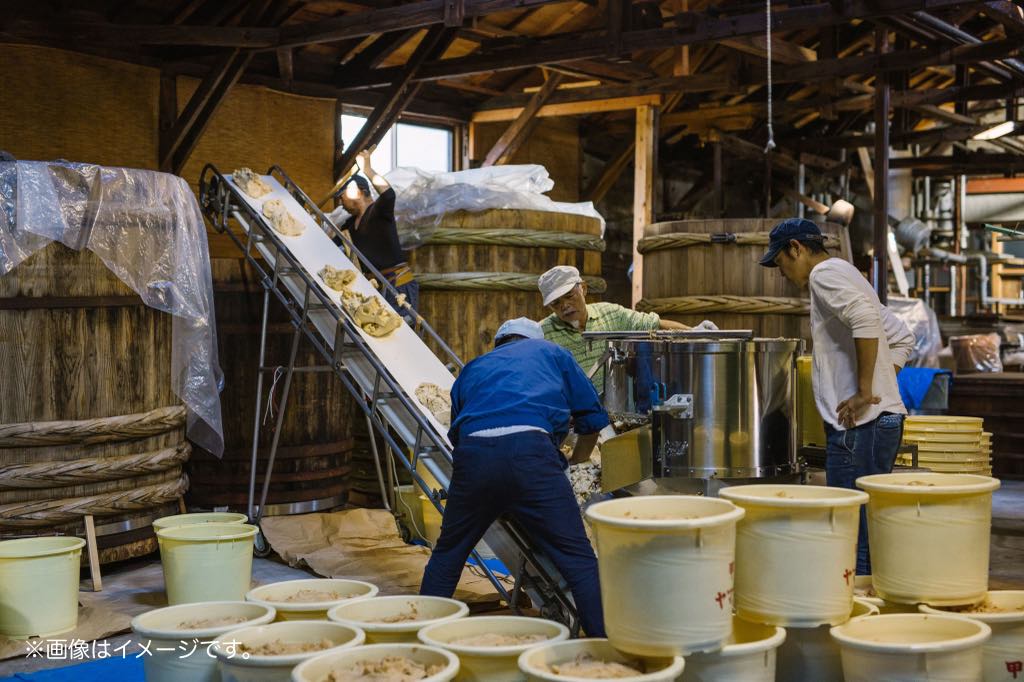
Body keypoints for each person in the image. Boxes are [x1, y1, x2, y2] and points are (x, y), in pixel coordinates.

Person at [420, 317, 609, 636]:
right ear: (533, 340)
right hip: (531, 455)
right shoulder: (552, 353)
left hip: (474, 459)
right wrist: (574, 466)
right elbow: (591, 421)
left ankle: (418, 637)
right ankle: (605, 647)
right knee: (579, 562)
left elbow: (458, 434)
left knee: (449, 553)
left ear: (499, 343)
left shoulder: (473, 367)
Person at [759, 218, 915, 574]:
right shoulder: (848, 273)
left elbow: (863, 318)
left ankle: (855, 619)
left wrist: (864, 392)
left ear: (796, 248)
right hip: (883, 422)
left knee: (851, 535)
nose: (781, 273)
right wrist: (880, 383)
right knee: (866, 531)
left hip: (860, 427)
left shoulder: (823, 275)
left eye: (780, 261)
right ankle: (872, 613)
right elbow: (903, 335)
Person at [537, 265, 715, 403]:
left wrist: (693, 331)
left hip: (614, 409)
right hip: (573, 418)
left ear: (583, 288)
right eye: (556, 303)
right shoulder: (541, 334)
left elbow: (653, 324)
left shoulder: (610, 314)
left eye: (569, 296)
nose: (564, 306)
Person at [336, 150, 418, 321]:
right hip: (374, 290)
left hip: (398, 287)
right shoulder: (349, 226)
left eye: (341, 196)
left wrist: (368, 168)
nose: (340, 203)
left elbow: (389, 194)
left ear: (355, 192)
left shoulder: (378, 211)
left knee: (400, 339)